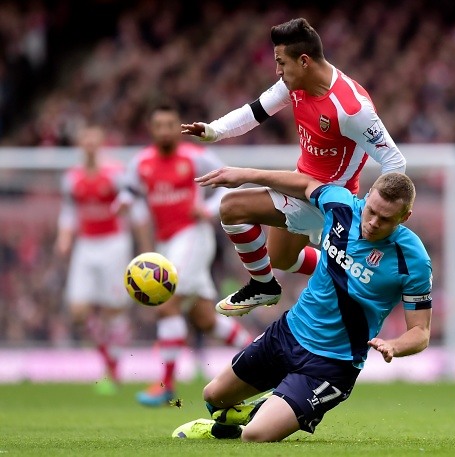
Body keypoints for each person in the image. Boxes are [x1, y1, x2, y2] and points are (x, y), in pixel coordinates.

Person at [171, 167, 432, 442]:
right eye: (371, 211)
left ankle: (263, 414)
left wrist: (394, 345)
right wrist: (243, 174)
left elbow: (421, 332)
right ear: (366, 197)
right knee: (213, 396)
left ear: (405, 217)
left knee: (256, 436)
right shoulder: (340, 204)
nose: (373, 222)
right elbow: (304, 183)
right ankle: (261, 410)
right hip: (288, 332)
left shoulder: (413, 261)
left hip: (331, 364)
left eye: (386, 219)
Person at [181, 17, 406, 317]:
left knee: (232, 207)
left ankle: (266, 285)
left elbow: (394, 161)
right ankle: (344, 270)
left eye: (280, 62)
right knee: (281, 258)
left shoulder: (351, 109)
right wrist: (213, 131)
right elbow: (255, 111)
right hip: (301, 187)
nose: (277, 70)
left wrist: (374, 214)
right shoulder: (294, 84)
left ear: (304, 61)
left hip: (330, 201)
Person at [116, 102, 254, 407]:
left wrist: (206, 208)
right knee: (204, 318)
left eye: (170, 125)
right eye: (159, 125)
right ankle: (261, 353)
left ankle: (166, 384)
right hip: (165, 243)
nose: (165, 130)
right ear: (151, 130)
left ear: (178, 128)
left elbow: (228, 182)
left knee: (167, 303)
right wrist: (124, 201)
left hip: (193, 236)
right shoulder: (141, 163)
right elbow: (129, 190)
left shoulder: (196, 158)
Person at [55, 125, 133, 395]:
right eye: (84, 141)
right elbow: (69, 211)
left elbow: (130, 199)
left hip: (113, 243)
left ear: (100, 144)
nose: (89, 146)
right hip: (86, 244)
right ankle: (108, 360)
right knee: (78, 310)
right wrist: (64, 237)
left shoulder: (114, 174)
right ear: (80, 145)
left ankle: (114, 367)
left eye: (93, 142)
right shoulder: (72, 178)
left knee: (113, 309)